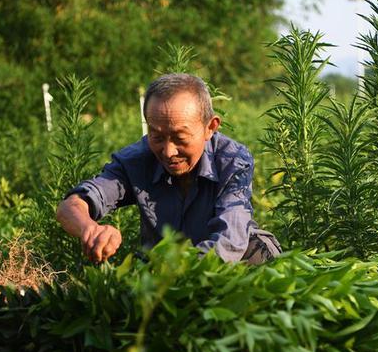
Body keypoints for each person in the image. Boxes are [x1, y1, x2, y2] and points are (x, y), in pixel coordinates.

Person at [56, 73, 281, 264]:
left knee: (258, 257)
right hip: (163, 272)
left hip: (230, 263)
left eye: (180, 137)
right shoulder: (137, 160)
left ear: (210, 127)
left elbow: (229, 240)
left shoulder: (232, 160)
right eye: (157, 136)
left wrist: (173, 276)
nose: (168, 151)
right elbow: (71, 206)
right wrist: (90, 229)